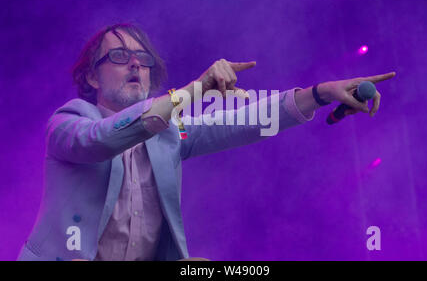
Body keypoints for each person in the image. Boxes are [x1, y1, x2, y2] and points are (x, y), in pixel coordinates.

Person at [17, 23, 395, 261]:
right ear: (93, 78)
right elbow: (100, 140)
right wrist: (198, 89)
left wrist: (320, 92)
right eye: (118, 56)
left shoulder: (168, 136)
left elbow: (242, 123)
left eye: (142, 58)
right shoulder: (68, 123)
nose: (135, 64)